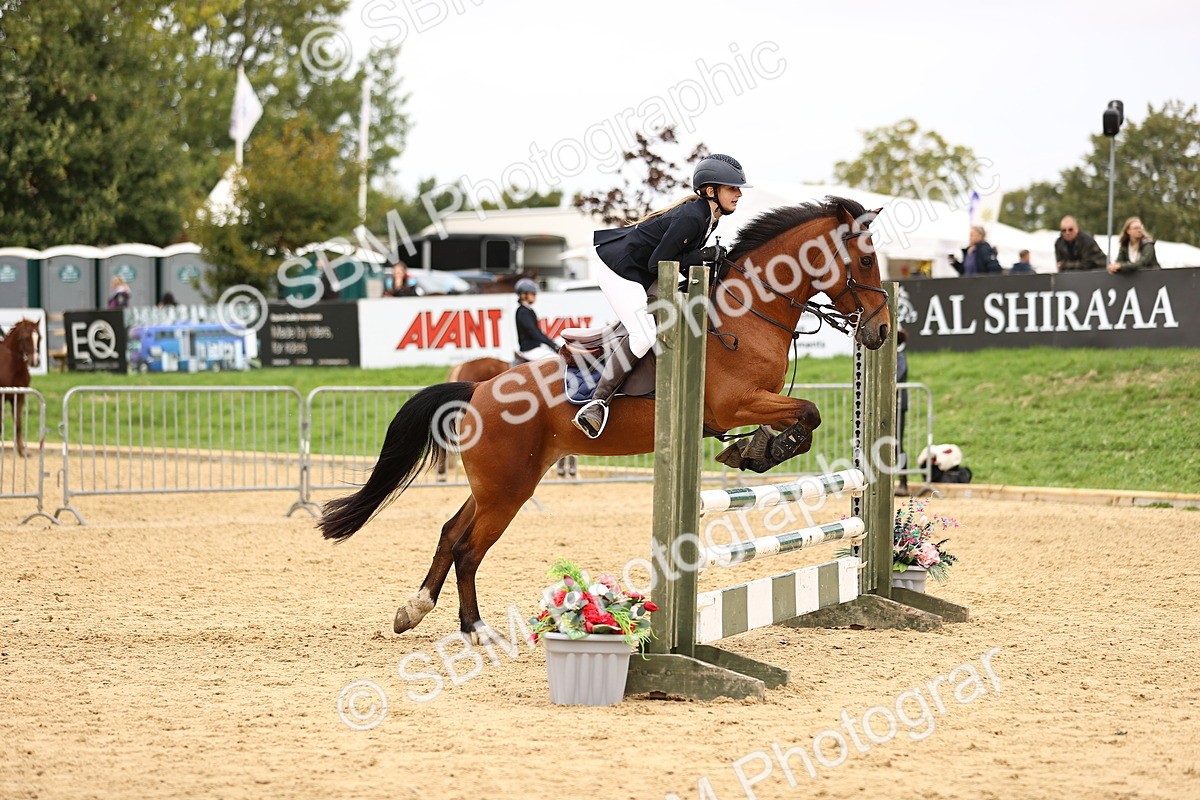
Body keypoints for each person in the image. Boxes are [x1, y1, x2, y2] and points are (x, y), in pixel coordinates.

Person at [572, 153, 751, 438]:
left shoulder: (708, 218)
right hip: (619, 269)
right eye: (732, 188)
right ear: (710, 191)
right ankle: (596, 402)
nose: (739, 194)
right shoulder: (692, 216)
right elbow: (660, 264)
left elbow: (675, 262)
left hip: (644, 270)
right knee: (643, 335)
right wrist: (704, 254)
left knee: (676, 319)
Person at [513, 278, 560, 361]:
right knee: (556, 360)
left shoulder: (528, 310)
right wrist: (553, 345)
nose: (535, 295)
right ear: (524, 294)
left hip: (535, 348)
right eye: (533, 293)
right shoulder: (523, 312)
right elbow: (534, 332)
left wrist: (551, 344)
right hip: (529, 350)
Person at [895, 328, 910, 497]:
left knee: (897, 444)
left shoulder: (900, 358)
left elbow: (896, 377)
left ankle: (904, 483)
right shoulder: (898, 358)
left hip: (898, 405)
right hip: (894, 404)